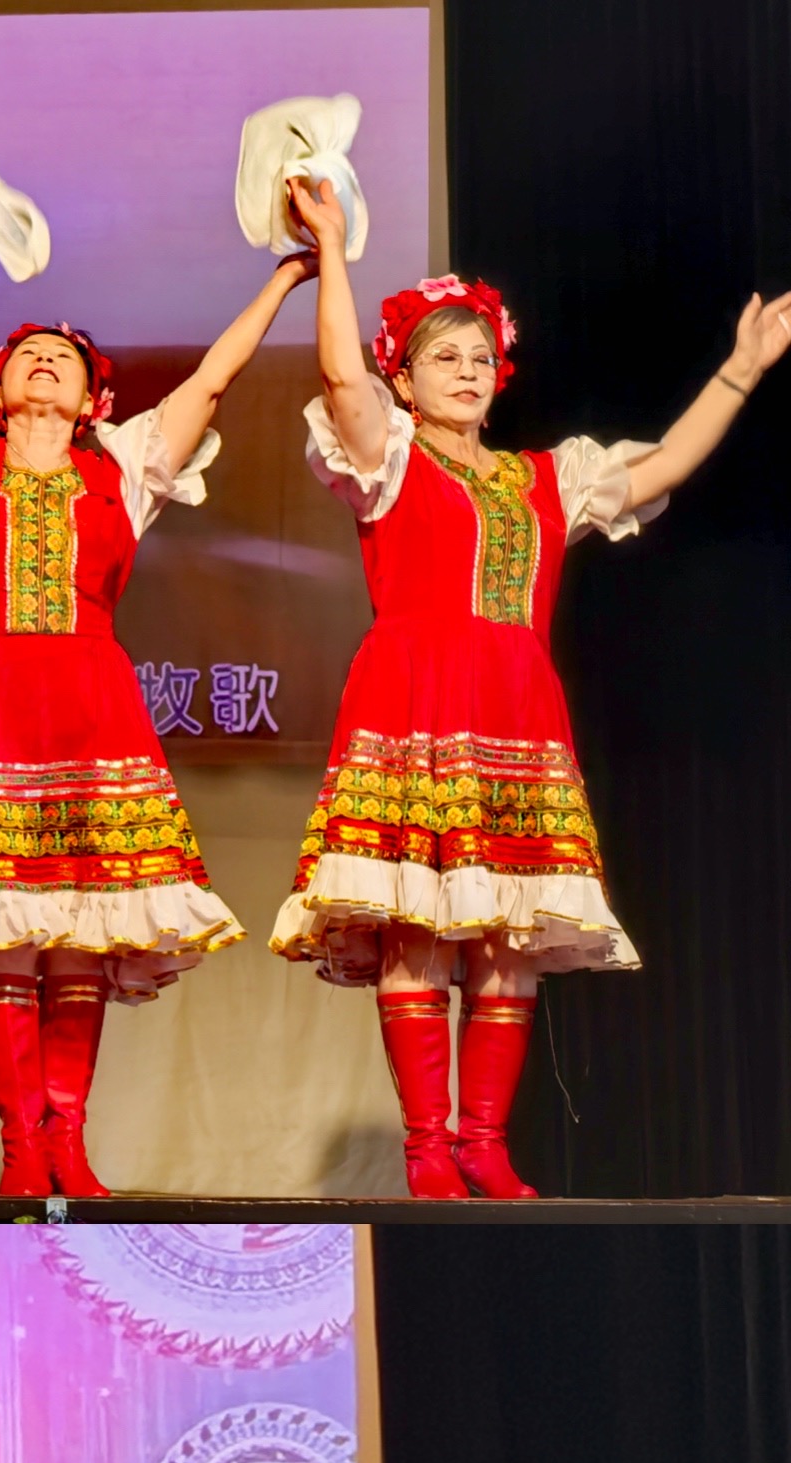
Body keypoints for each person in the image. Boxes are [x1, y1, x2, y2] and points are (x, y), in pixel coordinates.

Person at [272, 178, 791, 1197]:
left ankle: (484, 1143)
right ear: (403, 377)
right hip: (415, 699)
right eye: (443, 358)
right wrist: (331, 247)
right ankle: (427, 1147)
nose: (468, 372)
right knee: (419, 924)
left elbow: (663, 468)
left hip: (516, 709)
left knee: (509, 934)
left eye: (480, 358)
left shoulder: (547, 480)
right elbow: (338, 375)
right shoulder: (388, 459)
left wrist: (741, 370)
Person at [0, 171, 295, 1195]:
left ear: (90, 398)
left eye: (63, 357)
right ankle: (21, 1146)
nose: (43, 360)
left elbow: (211, 382)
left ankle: (68, 1139)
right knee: (1, 934)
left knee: (78, 931)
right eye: (27, 351)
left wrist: (288, 279)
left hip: (89, 710)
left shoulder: (123, 467)